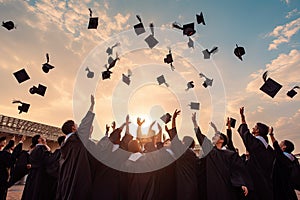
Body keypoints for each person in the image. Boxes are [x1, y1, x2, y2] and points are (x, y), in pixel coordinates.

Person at [193, 112, 249, 200]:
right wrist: (195, 124)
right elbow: (201, 138)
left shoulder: (230, 154)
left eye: (216, 136)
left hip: (227, 187)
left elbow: (236, 170)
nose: (213, 137)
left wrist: (241, 183)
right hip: (213, 187)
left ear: (221, 140)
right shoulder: (211, 152)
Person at [56, 95, 95, 200]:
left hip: (66, 179)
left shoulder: (65, 144)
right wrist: (92, 106)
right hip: (76, 178)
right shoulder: (76, 139)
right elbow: (85, 124)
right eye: (76, 125)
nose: (78, 126)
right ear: (73, 128)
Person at [238, 107, 275, 200]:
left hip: (257, 180)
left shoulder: (257, 144)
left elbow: (245, 135)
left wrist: (242, 118)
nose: (253, 128)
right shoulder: (268, 147)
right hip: (266, 180)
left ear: (258, 131)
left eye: (255, 127)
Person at [167, 109, 199, 200]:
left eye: (182, 141)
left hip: (184, 186)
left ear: (185, 143)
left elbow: (174, 136)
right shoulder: (193, 155)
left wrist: (173, 119)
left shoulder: (184, 152)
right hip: (193, 184)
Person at [269, 127, 298, 200]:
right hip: (289, 186)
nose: (279, 144)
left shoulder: (283, 157)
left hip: (281, 186)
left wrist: (271, 134)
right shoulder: (293, 159)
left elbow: (275, 145)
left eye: (281, 143)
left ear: (284, 147)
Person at [21, 134, 51, 200]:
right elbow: (47, 159)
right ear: (39, 140)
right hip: (40, 173)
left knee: (31, 190)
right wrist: (45, 144)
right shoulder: (42, 148)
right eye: (42, 137)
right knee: (37, 191)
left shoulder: (33, 149)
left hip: (32, 173)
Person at [0, 135, 25, 200]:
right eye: (4, 142)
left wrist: (12, 142)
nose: (5, 143)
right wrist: (21, 142)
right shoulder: (3, 154)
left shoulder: (3, 152)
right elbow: (13, 158)